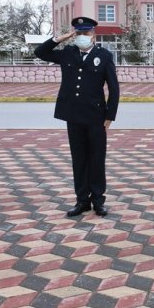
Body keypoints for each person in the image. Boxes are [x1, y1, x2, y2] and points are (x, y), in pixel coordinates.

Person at [35, 17, 119, 217]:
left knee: (97, 159)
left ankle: (98, 200)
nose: (82, 36)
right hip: (73, 116)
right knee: (79, 159)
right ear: (74, 35)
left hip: (96, 117)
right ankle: (82, 200)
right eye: (79, 33)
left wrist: (110, 116)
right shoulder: (67, 53)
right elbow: (40, 53)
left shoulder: (104, 55)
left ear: (94, 35)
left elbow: (114, 88)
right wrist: (58, 39)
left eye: (86, 33)